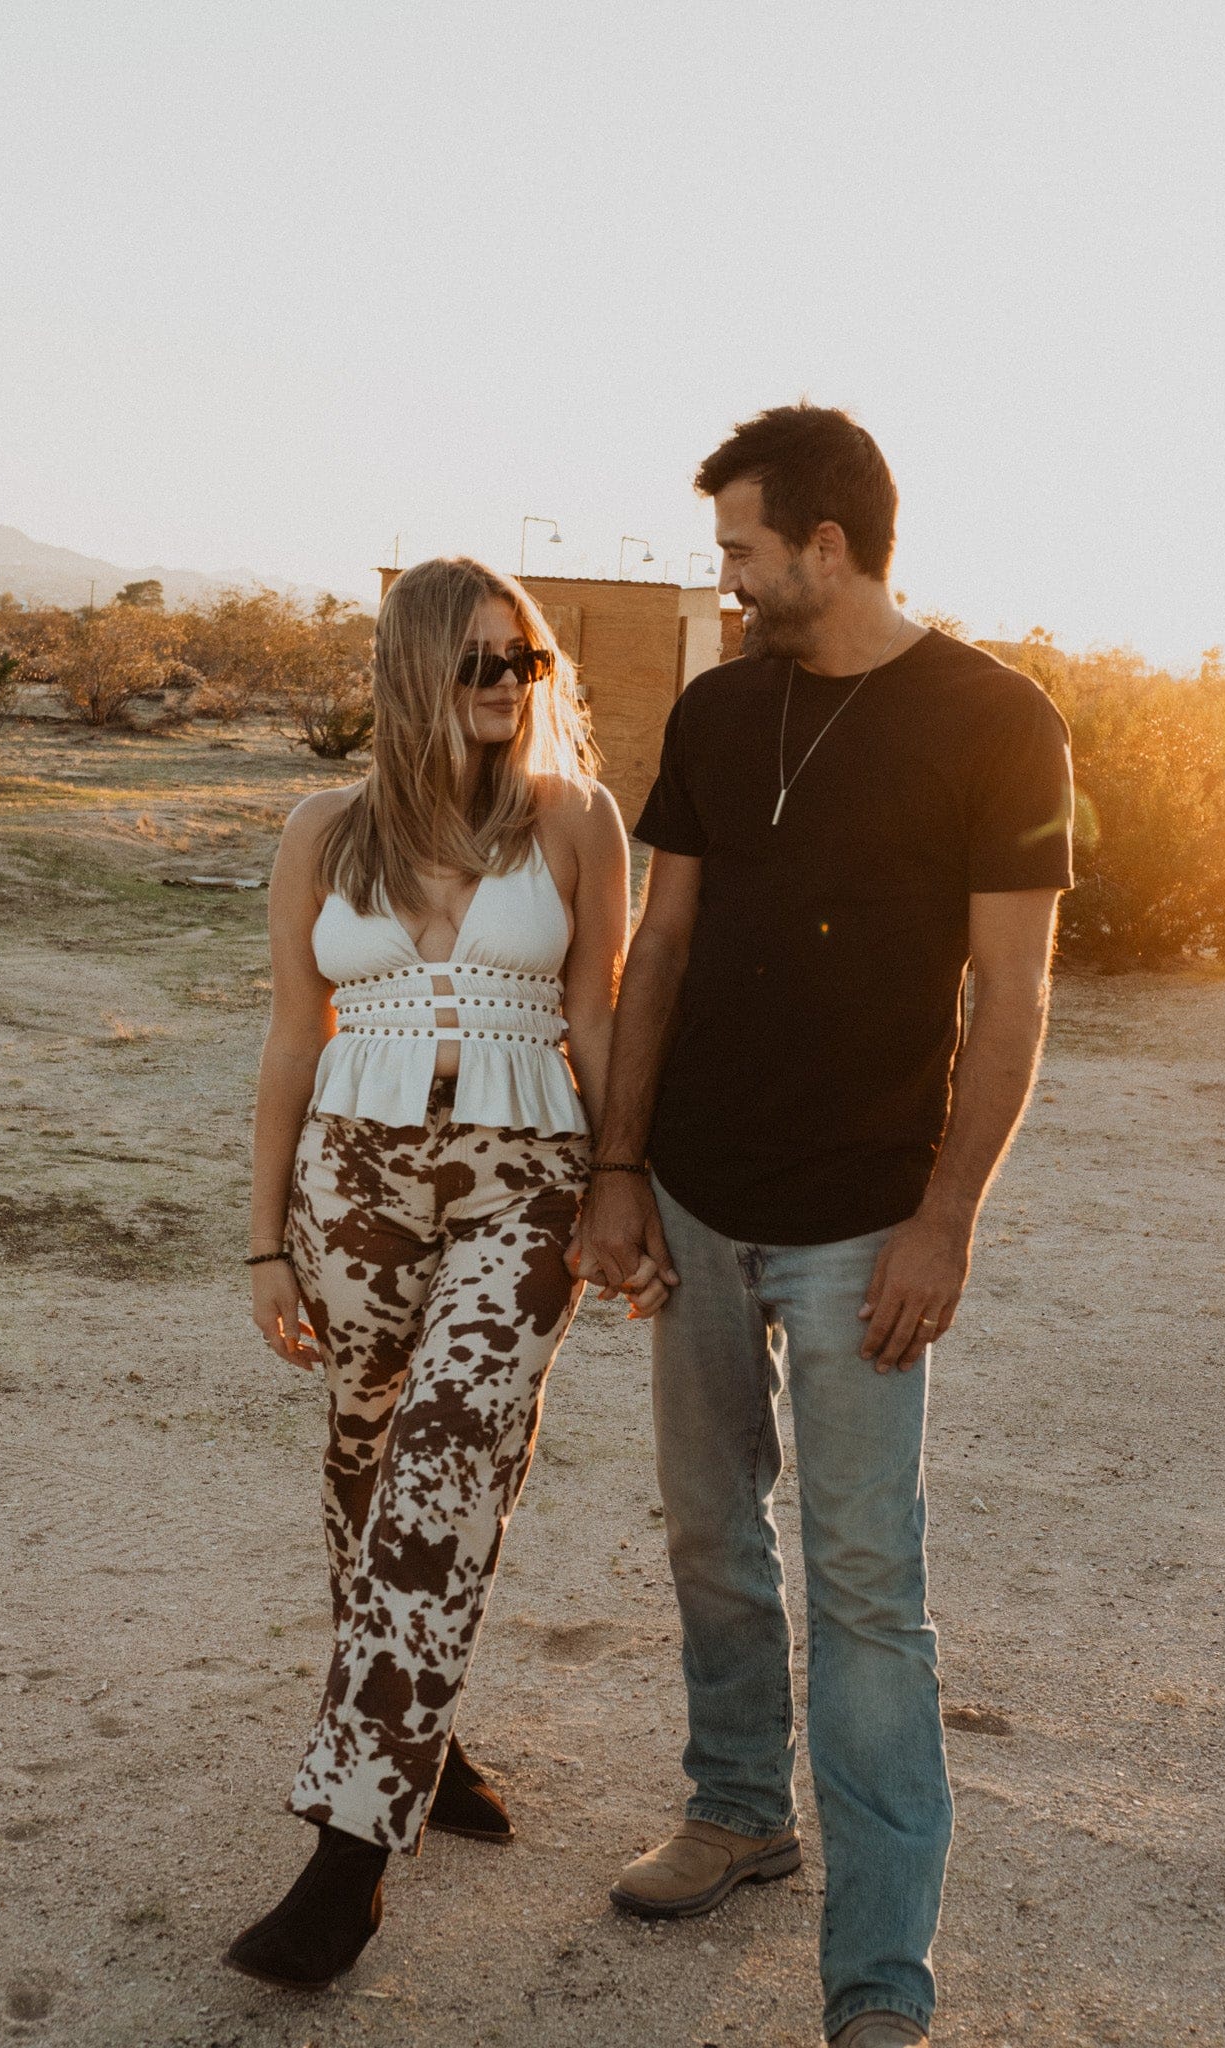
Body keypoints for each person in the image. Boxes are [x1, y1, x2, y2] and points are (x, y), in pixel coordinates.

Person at [575, 403, 1074, 2048]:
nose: (721, 577)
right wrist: (622, 1170)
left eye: (737, 550)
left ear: (825, 548)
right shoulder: (719, 708)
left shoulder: (994, 719)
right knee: (710, 1537)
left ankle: (875, 1976)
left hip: (868, 1220)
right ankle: (737, 1811)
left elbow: (1012, 997)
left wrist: (947, 1221)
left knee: (866, 1587)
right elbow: (664, 948)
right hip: (702, 1204)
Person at [225, 555, 629, 1989]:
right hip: (354, 1176)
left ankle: (348, 1853)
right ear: (409, 671)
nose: (505, 686)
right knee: (362, 1457)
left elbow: (600, 1020)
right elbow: (291, 1034)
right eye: (474, 662)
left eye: (522, 662)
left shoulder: (577, 820)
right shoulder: (322, 829)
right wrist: (267, 1237)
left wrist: (621, 1194)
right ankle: (421, 1731)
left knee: (451, 1453)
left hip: (525, 1178)